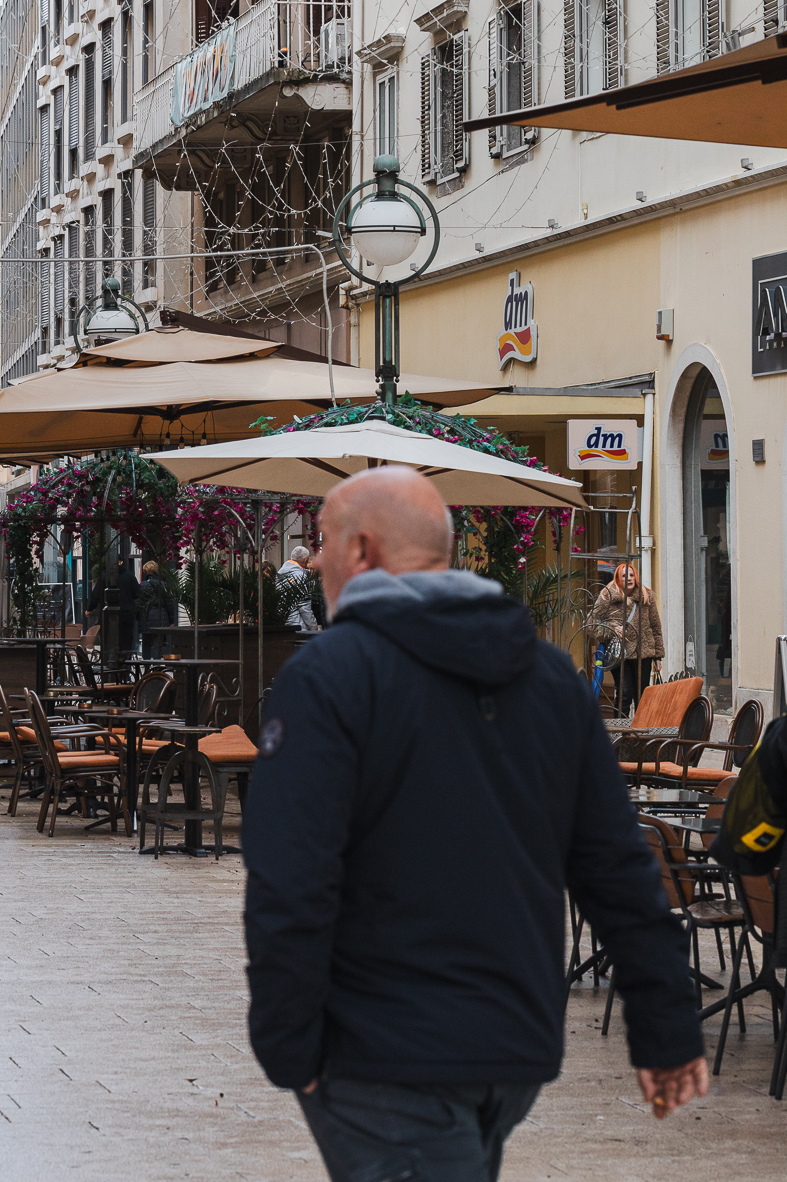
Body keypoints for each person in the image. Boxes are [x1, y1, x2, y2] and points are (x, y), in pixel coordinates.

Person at [243, 466, 705, 1182]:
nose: (317, 565)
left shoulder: (330, 675)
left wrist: (288, 1045)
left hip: (381, 1046)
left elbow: (289, 877)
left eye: (322, 544)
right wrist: (666, 1023)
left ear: (360, 551)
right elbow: (616, 867)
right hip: (508, 1042)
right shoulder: (550, 678)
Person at [589, 563, 664, 716]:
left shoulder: (646, 596)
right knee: (624, 694)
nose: (629, 578)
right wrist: (610, 630)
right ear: (617, 578)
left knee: (642, 695)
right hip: (619, 654)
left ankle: (641, 732)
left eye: (631, 575)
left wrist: (658, 656)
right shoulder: (607, 596)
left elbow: (656, 627)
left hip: (644, 653)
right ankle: (620, 733)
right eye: (624, 576)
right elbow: (591, 623)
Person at [87, 555, 140, 652]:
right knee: (126, 639)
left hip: (108, 615)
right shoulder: (130, 576)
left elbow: (96, 595)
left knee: (108, 638)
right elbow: (137, 594)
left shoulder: (105, 576)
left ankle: (110, 659)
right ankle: (126, 660)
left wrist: (89, 609)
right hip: (126, 613)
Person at [138, 560, 178, 658]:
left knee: (146, 644)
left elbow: (138, 602)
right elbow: (169, 603)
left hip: (145, 616)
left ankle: (147, 665)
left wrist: (138, 616)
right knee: (157, 643)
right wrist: (172, 619)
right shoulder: (163, 585)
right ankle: (156, 665)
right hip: (161, 615)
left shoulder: (142, 585)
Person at [276, 545, 319, 632]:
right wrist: (314, 627)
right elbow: (304, 607)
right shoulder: (302, 576)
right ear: (305, 560)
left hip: (282, 623)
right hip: (298, 625)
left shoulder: (279, 574)